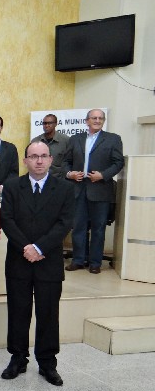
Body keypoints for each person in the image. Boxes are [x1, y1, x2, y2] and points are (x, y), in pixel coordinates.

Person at [0, 142, 74, 386]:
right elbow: (7, 220)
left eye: (43, 156)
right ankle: (18, 358)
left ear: (51, 159)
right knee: (18, 312)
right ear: (25, 161)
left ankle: (47, 363)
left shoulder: (64, 188)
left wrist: (40, 248)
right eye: (33, 156)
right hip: (19, 260)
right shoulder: (13, 186)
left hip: (48, 261)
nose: (39, 161)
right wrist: (27, 248)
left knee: (48, 314)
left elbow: (65, 222)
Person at [64, 109, 124, 274]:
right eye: (94, 118)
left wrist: (103, 175)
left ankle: (95, 263)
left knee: (98, 227)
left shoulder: (113, 139)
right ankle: (78, 260)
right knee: (78, 226)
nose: (97, 120)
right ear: (87, 121)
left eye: (100, 118)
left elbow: (118, 162)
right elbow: (66, 162)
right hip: (78, 188)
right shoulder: (75, 139)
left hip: (100, 188)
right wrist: (70, 174)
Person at [30, 114, 70, 179]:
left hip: (59, 180)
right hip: (40, 179)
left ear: (55, 124)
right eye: (44, 123)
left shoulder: (65, 140)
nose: (46, 125)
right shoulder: (35, 141)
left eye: (49, 123)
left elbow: (69, 162)